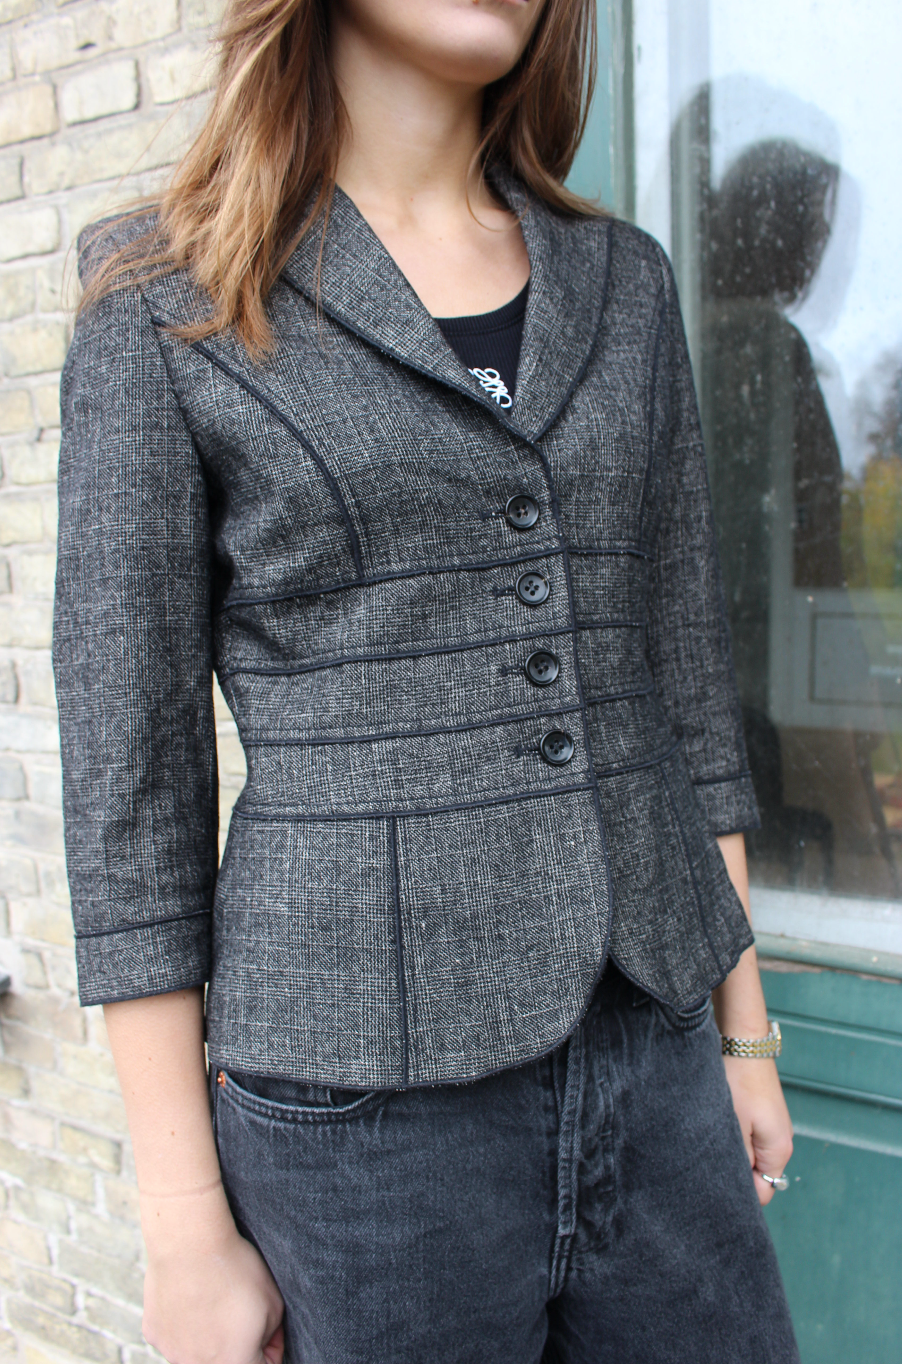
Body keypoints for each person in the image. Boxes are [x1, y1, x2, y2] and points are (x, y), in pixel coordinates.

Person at [52, 1, 799, 1360]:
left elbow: (684, 683)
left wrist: (741, 1037)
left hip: (656, 1050)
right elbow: (131, 787)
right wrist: (182, 1226)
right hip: (362, 1118)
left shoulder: (621, 280)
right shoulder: (165, 295)